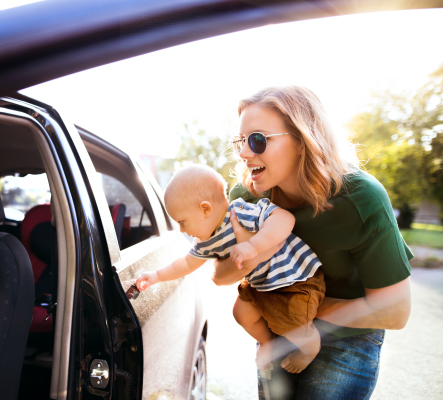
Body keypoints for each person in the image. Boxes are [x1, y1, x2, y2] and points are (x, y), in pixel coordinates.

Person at [213, 85, 412, 399]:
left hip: (348, 338)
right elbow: (219, 276)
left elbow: (395, 311)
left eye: (257, 140)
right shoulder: (246, 197)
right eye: (240, 141)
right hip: (279, 330)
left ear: (303, 140)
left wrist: (298, 308)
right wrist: (243, 262)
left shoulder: (360, 199)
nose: (243, 153)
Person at [135, 164, 325, 373]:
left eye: (182, 222)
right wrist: (157, 275)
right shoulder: (205, 242)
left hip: (295, 278)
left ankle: (309, 350)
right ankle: (267, 342)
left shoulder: (241, 213)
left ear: (205, 209)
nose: (182, 230)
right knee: (241, 314)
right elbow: (186, 263)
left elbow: (285, 219)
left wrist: (254, 246)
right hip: (263, 285)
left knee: (294, 325)